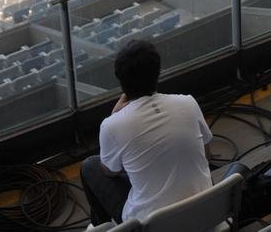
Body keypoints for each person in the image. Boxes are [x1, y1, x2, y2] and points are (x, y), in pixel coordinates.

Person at [80, 40, 213, 226]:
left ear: (120, 80)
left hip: (153, 226)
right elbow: (206, 155)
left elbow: (110, 171)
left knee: (89, 166)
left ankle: (102, 227)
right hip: (206, 212)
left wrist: (114, 116)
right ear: (158, 73)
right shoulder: (188, 103)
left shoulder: (112, 125)